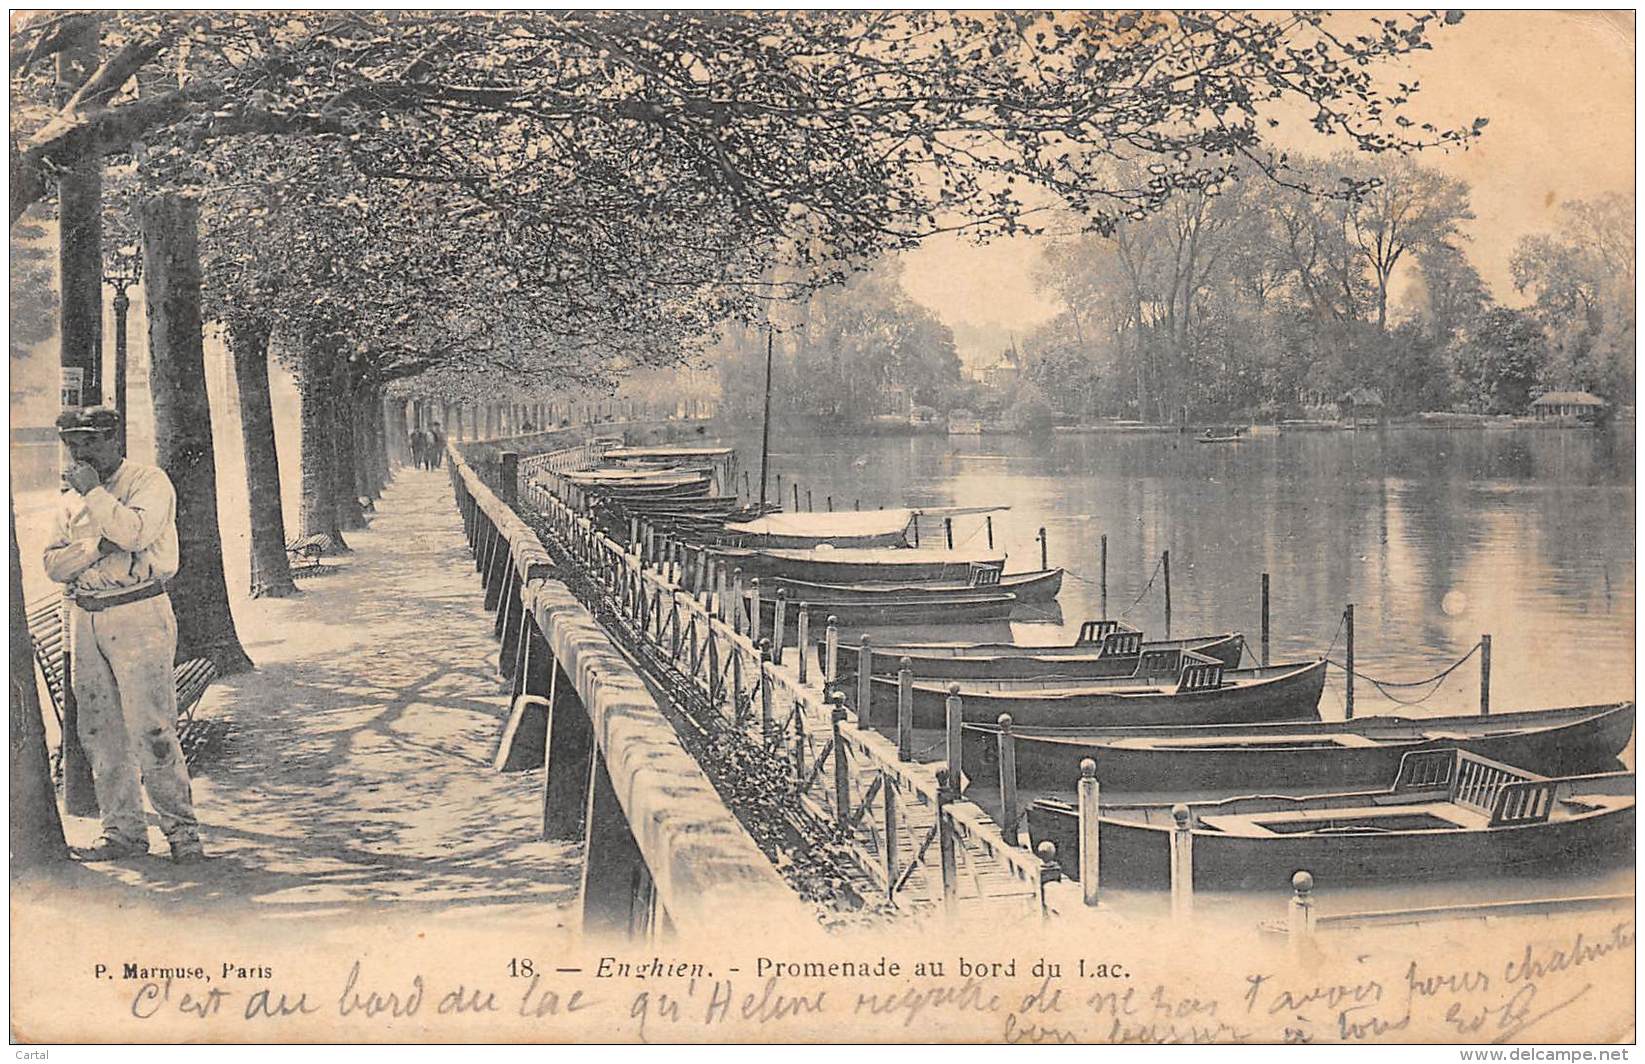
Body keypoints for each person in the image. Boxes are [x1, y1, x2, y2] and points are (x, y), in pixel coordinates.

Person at [42, 406, 204, 863]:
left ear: (115, 440)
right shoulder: (69, 495)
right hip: (86, 616)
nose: (81, 451)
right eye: (73, 443)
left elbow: (133, 534)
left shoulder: (147, 482)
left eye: (91, 441)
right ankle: (124, 832)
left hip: (138, 611)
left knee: (151, 726)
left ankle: (182, 833)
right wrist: (95, 547)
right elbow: (53, 565)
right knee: (100, 732)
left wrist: (95, 494)